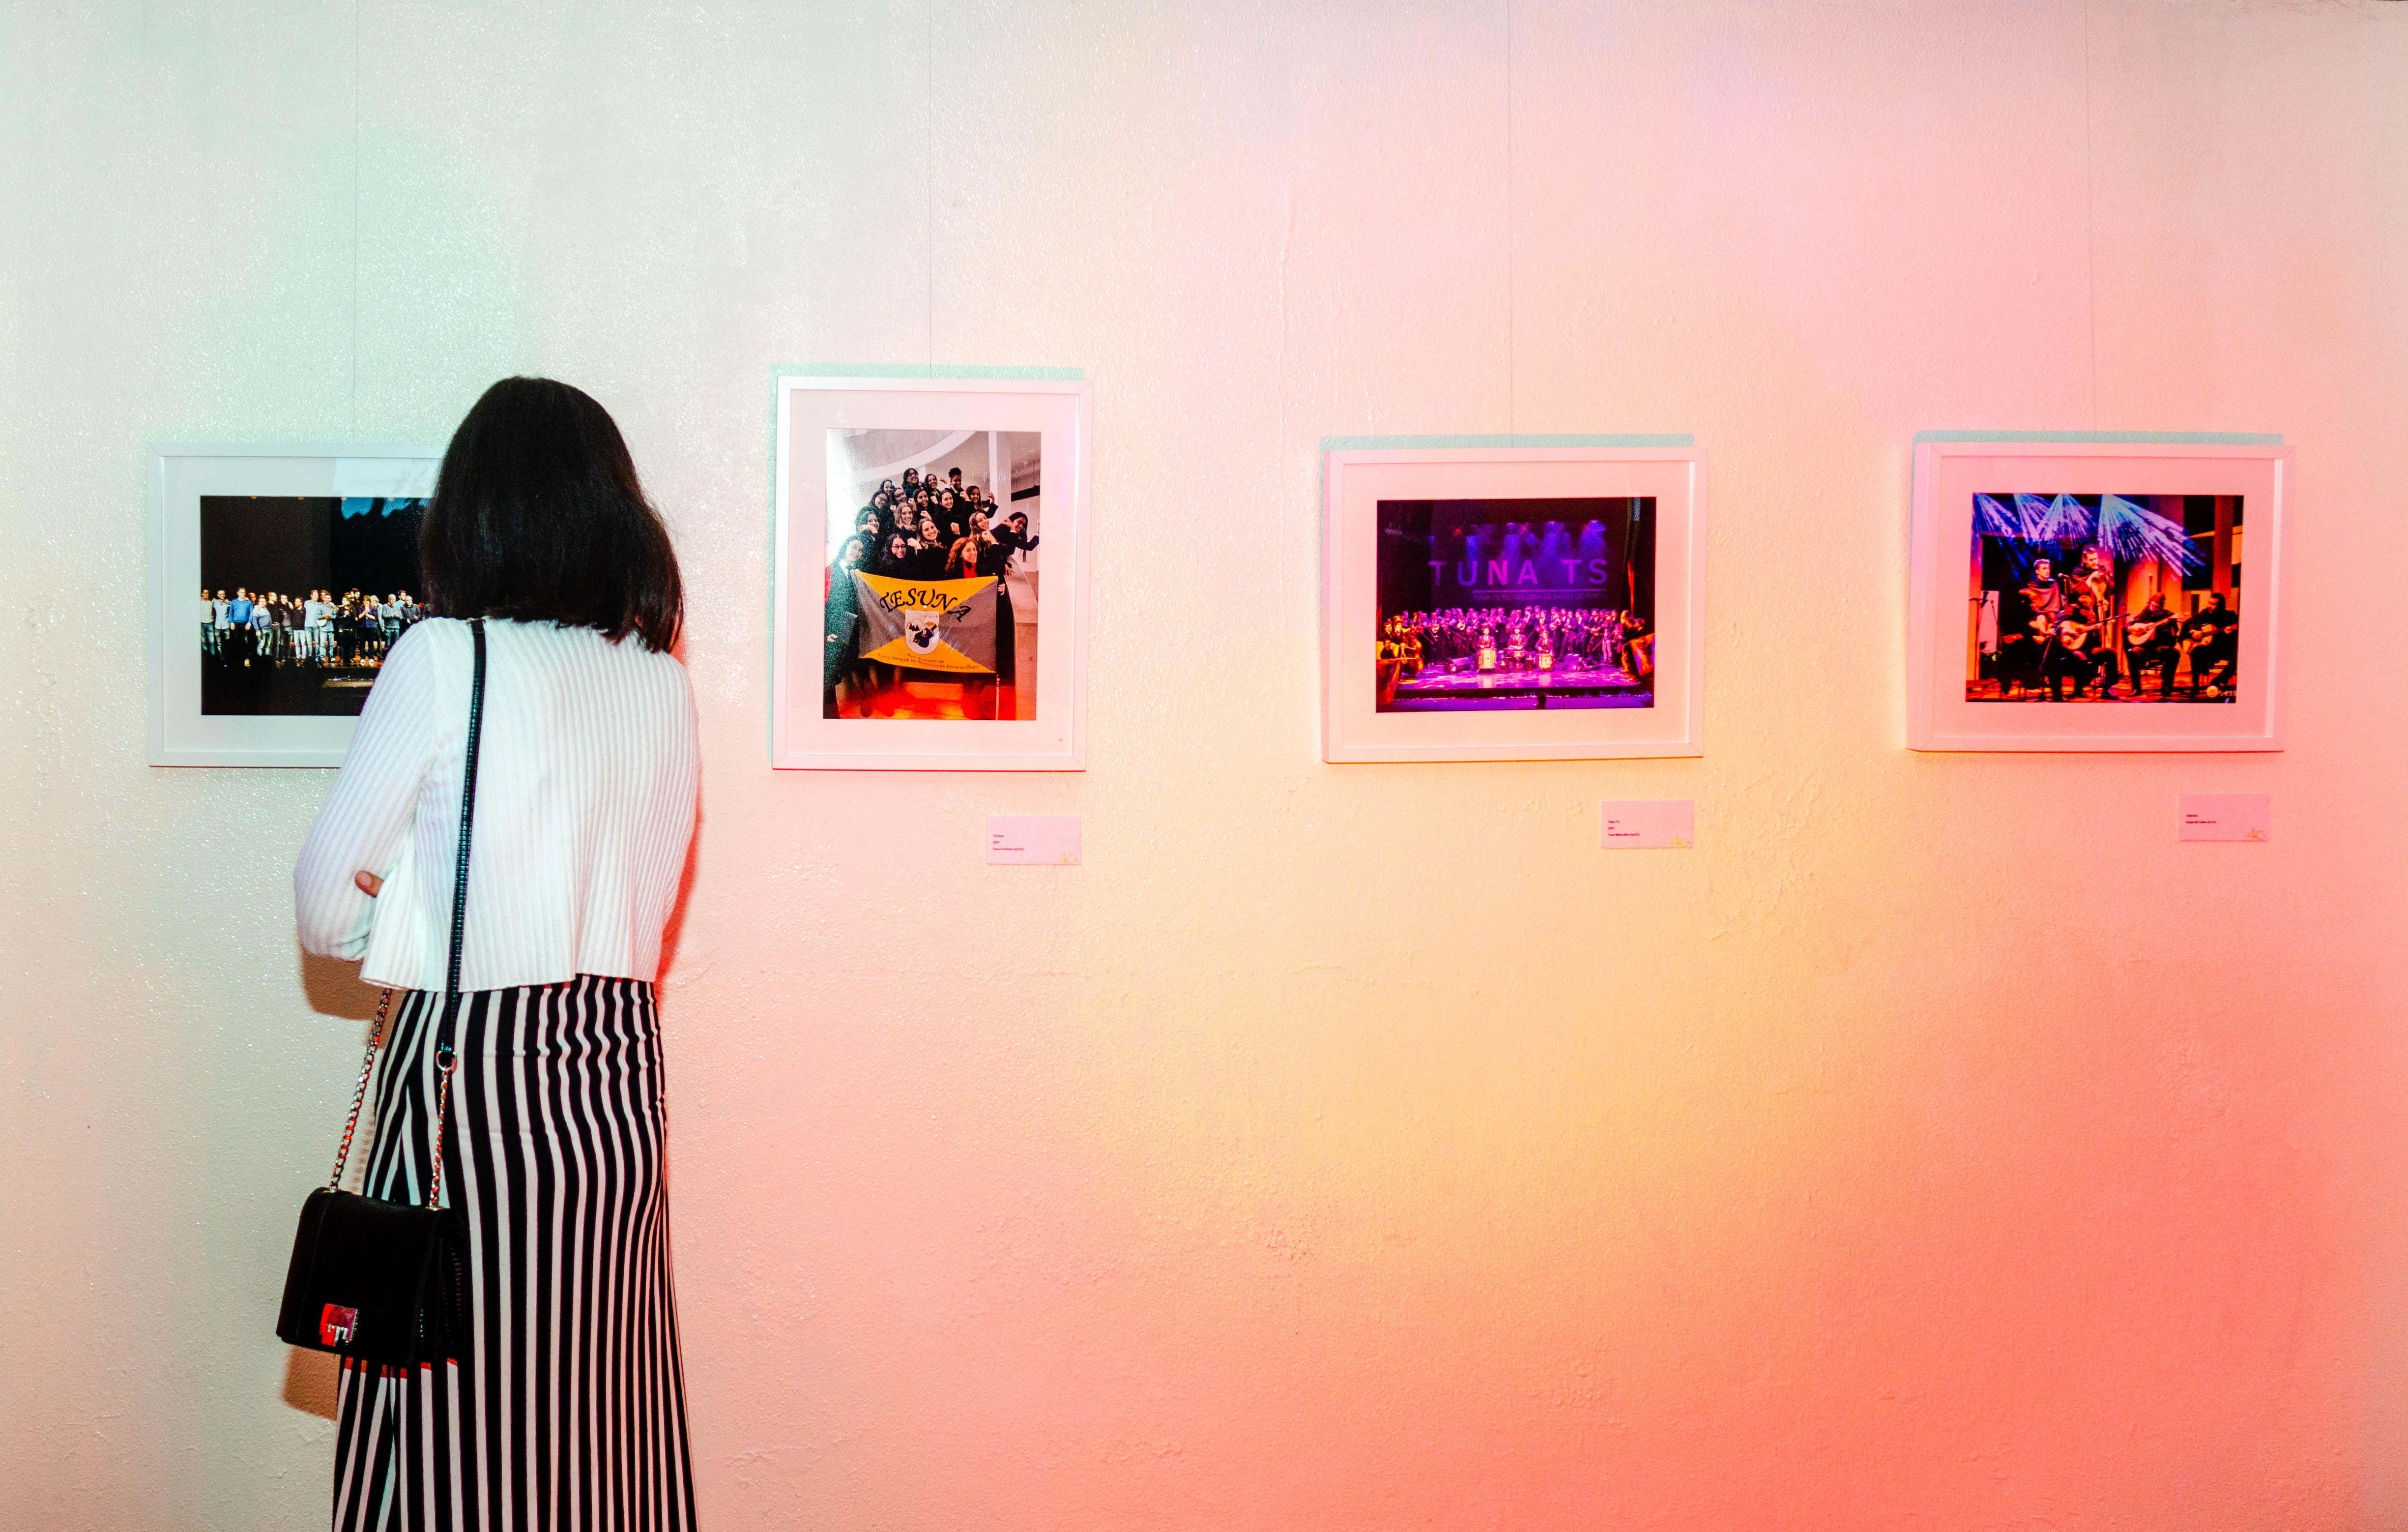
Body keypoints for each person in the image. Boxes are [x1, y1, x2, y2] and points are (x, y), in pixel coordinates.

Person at [292, 376, 700, 1530]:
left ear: (471, 514)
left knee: (444, 1432)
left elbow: (325, 908)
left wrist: (411, 921)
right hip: (615, 1095)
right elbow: (645, 897)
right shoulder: (661, 681)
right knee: (595, 1424)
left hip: (466, 1093)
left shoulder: (443, 658)